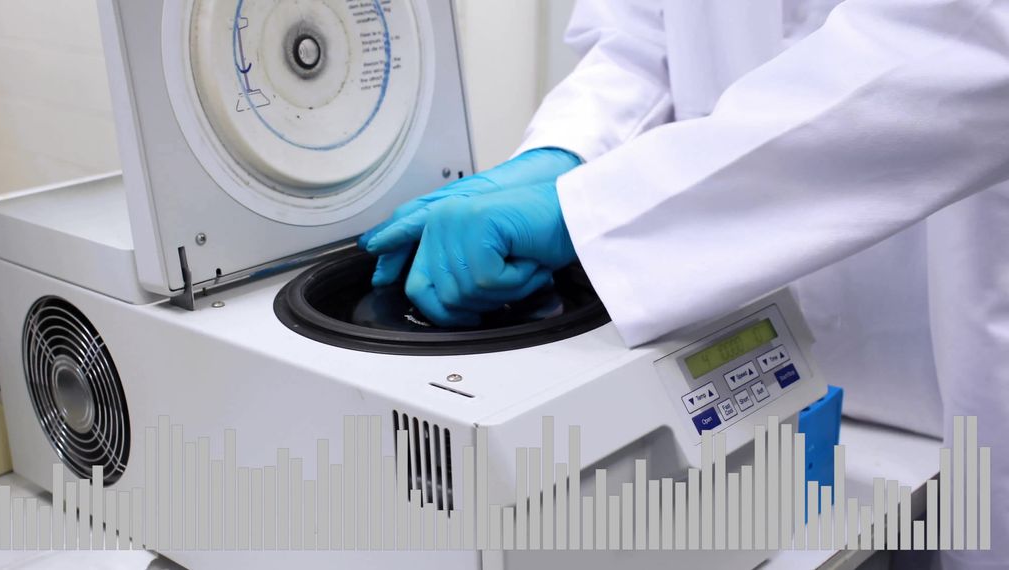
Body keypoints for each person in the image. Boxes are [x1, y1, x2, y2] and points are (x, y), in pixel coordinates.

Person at [361, 1, 1009, 566]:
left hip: (951, 331)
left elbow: (973, 37)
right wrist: (563, 153)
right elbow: (640, 37)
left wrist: (589, 210)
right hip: (750, 377)